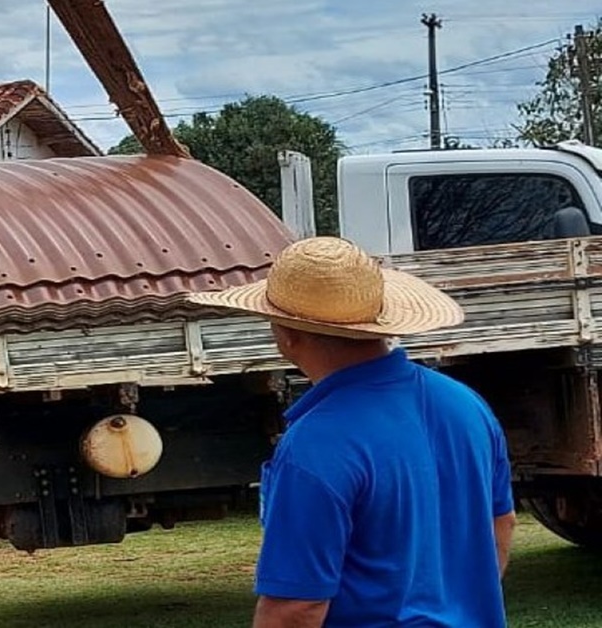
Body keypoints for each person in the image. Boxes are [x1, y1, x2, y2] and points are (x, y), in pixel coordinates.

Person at [187, 236, 517, 628]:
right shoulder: (466, 405)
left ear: (288, 334)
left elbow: (296, 608)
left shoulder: (317, 443)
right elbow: (503, 524)